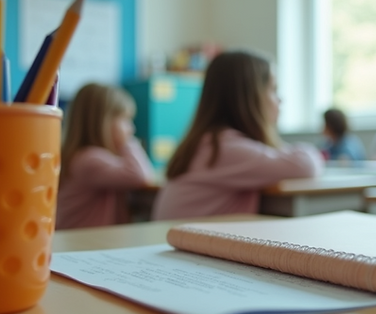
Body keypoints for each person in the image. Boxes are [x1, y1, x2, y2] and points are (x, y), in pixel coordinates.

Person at [153, 50, 323, 219]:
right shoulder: (225, 148)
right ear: (250, 98)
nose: (280, 99)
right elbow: (305, 165)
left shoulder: (210, 141)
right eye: (273, 89)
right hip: (184, 244)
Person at [56, 83, 156, 230]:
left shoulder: (85, 157)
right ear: (104, 122)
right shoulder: (89, 159)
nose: (131, 128)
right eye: (125, 120)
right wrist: (128, 142)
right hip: (81, 243)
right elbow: (140, 176)